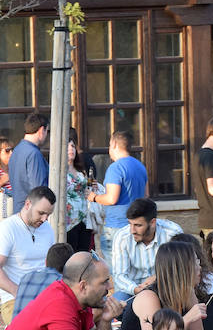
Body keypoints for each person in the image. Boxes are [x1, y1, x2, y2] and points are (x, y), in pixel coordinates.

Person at [0, 185, 55, 325]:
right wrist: (18, 292)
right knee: (31, 329)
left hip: (45, 296)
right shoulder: (8, 228)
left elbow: (51, 265)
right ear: (28, 204)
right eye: (41, 213)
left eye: (48, 214)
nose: (45, 219)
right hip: (15, 298)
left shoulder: (47, 228)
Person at [90, 131, 148, 269]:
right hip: (137, 226)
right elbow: (146, 196)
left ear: (114, 144)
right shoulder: (140, 166)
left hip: (116, 227)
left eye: (110, 144)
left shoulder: (115, 168)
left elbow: (111, 199)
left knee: (118, 273)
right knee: (135, 270)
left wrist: (94, 197)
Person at [111, 198, 181, 299]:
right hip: (133, 290)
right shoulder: (122, 237)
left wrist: (159, 278)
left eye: (138, 225)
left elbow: (181, 267)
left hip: (166, 286)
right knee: (117, 302)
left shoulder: (172, 233)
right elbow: (119, 275)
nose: (132, 231)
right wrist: (137, 290)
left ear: (153, 222)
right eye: (130, 224)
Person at [12, 242, 74, 318]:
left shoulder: (26, 277)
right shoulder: (63, 284)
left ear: (45, 262)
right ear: (71, 265)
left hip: (14, 328)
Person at [64, 127, 99, 252]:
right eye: (67, 146)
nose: (71, 149)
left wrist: (93, 187)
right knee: (71, 255)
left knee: (84, 254)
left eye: (73, 146)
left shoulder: (81, 170)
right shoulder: (58, 172)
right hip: (68, 220)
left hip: (85, 218)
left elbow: (87, 190)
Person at [8, 112, 49, 209]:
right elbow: (38, 190)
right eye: (47, 131)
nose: (47, 135)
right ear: (41, 130)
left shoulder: (16, 150)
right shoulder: (34, 153)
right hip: (32, 214)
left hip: (19, 211)